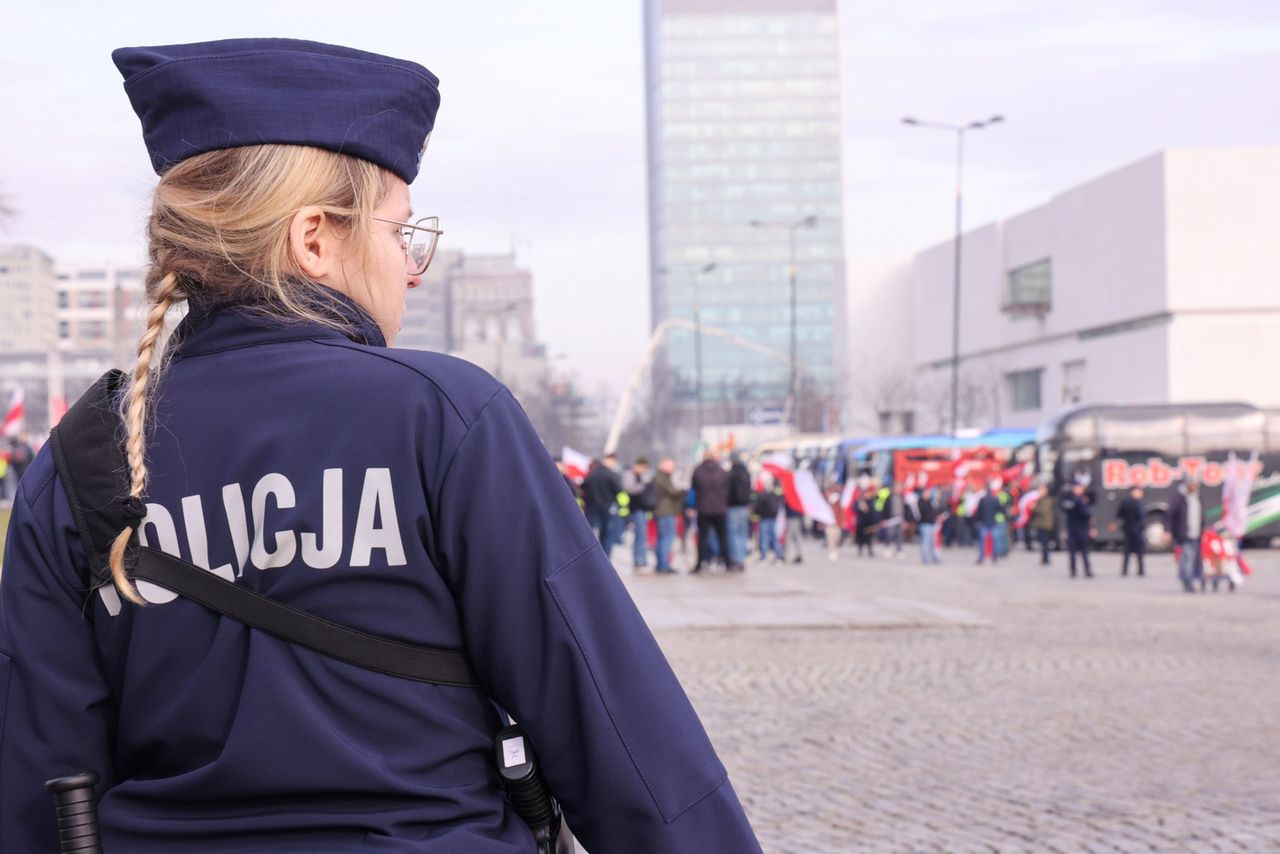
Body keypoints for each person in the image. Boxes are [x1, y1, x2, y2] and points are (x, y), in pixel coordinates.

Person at [0, 39, 760, 853]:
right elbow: (619, 732)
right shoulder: (446, 416)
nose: (413, 268)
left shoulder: (77, 459)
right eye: (403, 231)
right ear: (315, 238)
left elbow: (39, 784)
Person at [691, 450, 733, 573]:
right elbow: (727, 489)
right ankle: (727, 561)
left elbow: (694, 488)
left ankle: (700, 563)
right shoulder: (722, 471)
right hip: (720, 508)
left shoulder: (698, 471)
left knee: (703, 537)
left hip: (703, 508)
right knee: (723, 536)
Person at [1167, 479, 1206, 593]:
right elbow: (1170, 515)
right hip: (1184, 534)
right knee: (1187, 558)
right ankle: (1188, 582)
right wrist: (1168, 530)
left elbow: (1201, 516)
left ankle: (1189, 579)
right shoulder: (1180, 498)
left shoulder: (1197, 498)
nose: (1195, 487)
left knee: (1192, 559)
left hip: (1196, 533)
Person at [582, 455, 623, 554]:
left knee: (588, 534)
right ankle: (605, 558)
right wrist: (621, 507)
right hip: (608, 509)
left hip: (591, 508)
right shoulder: (612, 475)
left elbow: (583, 487)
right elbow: (619, 491)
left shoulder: (592, 474)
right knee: (607, 536)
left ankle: (588, 555)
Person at [652, 458, 684, 573]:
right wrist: (682, 490)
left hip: (660, 511)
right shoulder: (663, 477)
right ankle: (664, 565)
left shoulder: (657, 477)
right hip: (666, 511)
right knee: (667, 538)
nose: (673, 468)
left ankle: (661, 564)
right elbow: (673, 491)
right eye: (671, 466)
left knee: (661, 538)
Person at [621, 457, 654, 570]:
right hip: (635, 509)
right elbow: (629, 489)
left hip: (642, 509)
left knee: (642, 535)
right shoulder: (629, 474)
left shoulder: (640, 476)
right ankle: (638, 560)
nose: (644, 470)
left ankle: (642, 559)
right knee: (640, 535)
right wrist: (643, 485)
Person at [1059, 482, 1095, 578]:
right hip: (1073, 529)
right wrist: (1078, 502)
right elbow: (1065, 507)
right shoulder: (1069, 498)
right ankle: (1073, 571)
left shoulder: (1085, 498)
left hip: (1083, 528)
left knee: (1085, 552)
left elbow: (1087, 514)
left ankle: (1087, 570)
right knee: (1072, 552)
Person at [726, 453, 752, 568]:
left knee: (733, 533)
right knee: (742, 533)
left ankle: (735, 558)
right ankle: (741, 558)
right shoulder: (746, 473)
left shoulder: (731, 474)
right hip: (744, 507)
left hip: (732, 507)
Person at [752, 474, 785, 563]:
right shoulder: (770, 493)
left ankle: (774, 556)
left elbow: (758, 505)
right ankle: (769, 556)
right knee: (768, 537)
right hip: (767, 517)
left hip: (768, 517)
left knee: (769, 537)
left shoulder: (772, 493)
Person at [1117, 486, 1146, 577]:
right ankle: (1125, 570)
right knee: (1127, 551)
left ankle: (1141, 570)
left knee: (1139, 552)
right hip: (1130, 529)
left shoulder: (1140, 503)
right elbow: (1120, 514)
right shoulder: (1127, 503)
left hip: (1138, 528)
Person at [1029, 484, 1056, 566]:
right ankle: (1044, 557)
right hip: (1041, 524)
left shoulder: (1047, 500)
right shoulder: (1040, 499)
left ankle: (1046, 558)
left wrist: (1034, 507)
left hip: (1045, 525)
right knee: (1043, 542)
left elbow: (1043, 510)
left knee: (1045, 543)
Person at [974, 485, 1001, 564]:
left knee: (982, 541)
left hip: (984, 522)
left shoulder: (982, 500)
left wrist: (978, 520)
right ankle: (995, 556)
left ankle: (981, 557)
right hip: (993, 522)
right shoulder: (995, 499)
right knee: (996, 540)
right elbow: (999, 510)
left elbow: (979, 512)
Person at [916, 487, 941, 564]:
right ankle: (925, 558)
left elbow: (935, 511)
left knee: (933, 543)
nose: (929, 495)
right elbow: (924, 512)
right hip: (925, 525)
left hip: (932, 524)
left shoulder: (931, 502)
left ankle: (934, 557)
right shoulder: (921, 502)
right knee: (925, 543)